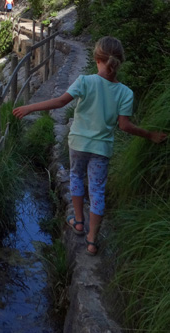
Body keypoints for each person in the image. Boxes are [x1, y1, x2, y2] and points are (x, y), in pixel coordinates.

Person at [12, 36, 166, 256]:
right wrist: (149, 135)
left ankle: (78, 222)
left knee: (75, 178)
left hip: (78, 144)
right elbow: (125, 125)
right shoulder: (125, 93)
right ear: (119, 62)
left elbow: (59, 102)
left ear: (97, 59)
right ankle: (92, 240)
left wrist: (30, 108)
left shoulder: (85, 81)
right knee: (97, 191)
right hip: (101, 149)